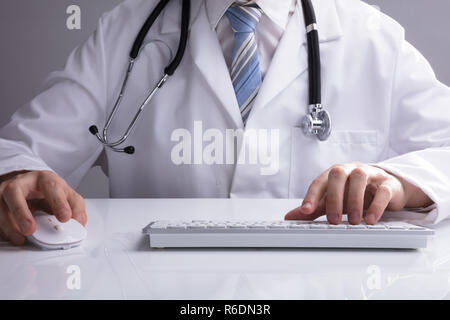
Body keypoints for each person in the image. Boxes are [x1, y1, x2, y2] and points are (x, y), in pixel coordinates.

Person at [0, 0, 449, 246]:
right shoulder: (125, 34)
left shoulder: (373, 39)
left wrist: (401, 180)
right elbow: (18, 151)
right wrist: (16, 178)